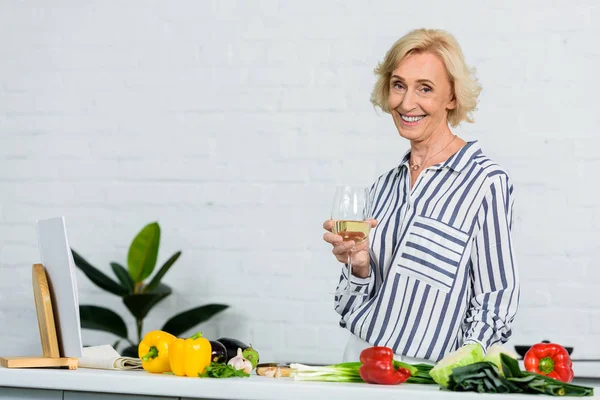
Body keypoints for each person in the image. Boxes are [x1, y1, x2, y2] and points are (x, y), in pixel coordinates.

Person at [323, 28, 519, 364]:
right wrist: (358, 267)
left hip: (429, 374)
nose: (406, 102)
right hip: (360, 361)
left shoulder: (485, 182)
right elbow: (347, 305)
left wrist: (463, 367)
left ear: (452, 97)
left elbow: (495, 299)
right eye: (399, 85)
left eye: (424, 89)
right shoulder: (382, 188)